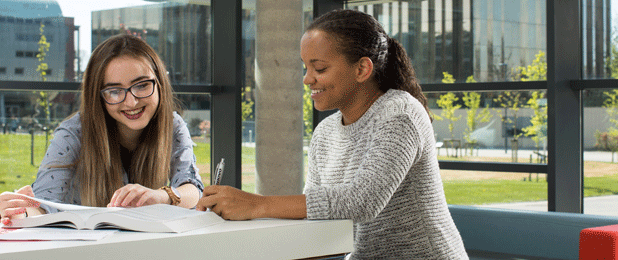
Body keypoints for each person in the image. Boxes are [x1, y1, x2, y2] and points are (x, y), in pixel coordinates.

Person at [196, 9, 468, 259]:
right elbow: (317, 215)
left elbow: (361, 202)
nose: (306, 78)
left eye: (320, 68)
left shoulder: (401, 114)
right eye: (305, 67)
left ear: (362, 69)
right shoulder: (325, 133)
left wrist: (256, 205)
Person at [0, 34, 204, 225]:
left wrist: (160, 196)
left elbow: (192, 188)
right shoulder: (73, 133)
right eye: (114, 91)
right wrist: (22, 211)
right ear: (98, 96)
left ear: (159, 84)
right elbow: (44, 206)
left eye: (141, 85)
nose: (131, 102)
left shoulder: (172, 124)